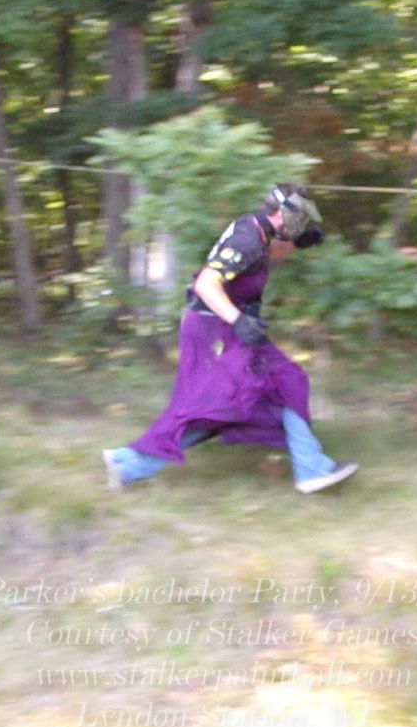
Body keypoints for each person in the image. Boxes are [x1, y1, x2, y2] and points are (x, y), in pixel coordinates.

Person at [102, 183, 358, 494]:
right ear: (283, 214)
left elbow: (260, 257)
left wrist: (297, 244)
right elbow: (206, 283)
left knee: (282, 383)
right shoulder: (247, 238)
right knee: (217, 410)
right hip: (214, 330)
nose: (302, 222)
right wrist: (237, 320)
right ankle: (128, 464)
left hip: (230, 328)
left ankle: (311, 467)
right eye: (300, 217)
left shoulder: (257, 231)